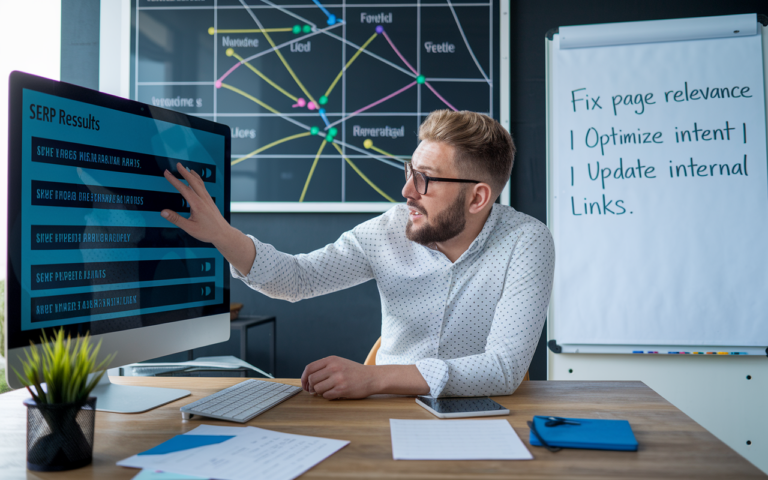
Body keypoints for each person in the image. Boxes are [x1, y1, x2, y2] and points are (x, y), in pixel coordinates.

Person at [161, 110, 555, 400]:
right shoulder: (389, 229)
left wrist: (376, 377)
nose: (407, 192)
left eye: (426, 179)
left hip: (483, 413)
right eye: (409, 171)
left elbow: (504, 368)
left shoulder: (526, 241)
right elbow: (298, 279)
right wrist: (221, 234)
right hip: (387, 410)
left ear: (478, 197)